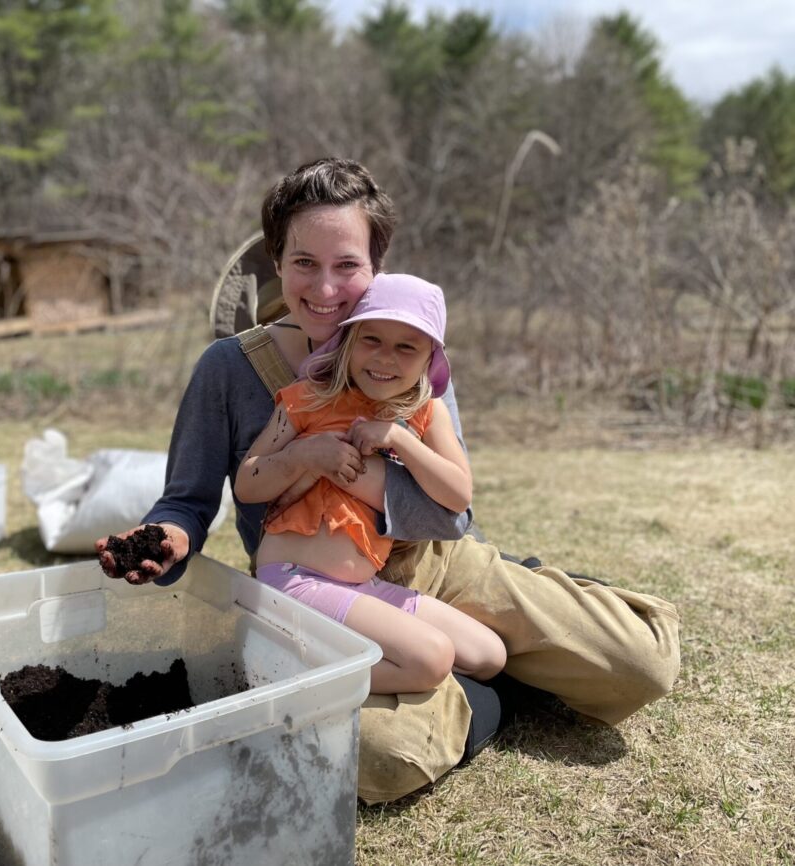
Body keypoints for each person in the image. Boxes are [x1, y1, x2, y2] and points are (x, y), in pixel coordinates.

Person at [96, 157, 680, 805]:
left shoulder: (410, 353)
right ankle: (485, 681)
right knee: (370, 757)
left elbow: (452, 513)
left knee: (640, 665)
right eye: (303, 263)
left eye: (346, 265)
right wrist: (167, 539)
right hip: (322, 589)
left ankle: (490, 650)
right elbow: (188, 500)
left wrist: (371, 470)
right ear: (278, 262)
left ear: (376, 267)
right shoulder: (230, 369)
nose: (324, 288)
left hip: (441, 566)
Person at [233, 273, 506, 692]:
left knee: (488, 656)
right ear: (348, 341)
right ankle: (281, 668)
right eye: (371, 340)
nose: (384, 359)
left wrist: (397, 436)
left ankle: (322, 652)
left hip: (362, 586)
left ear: (428, 357)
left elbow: (459, 496)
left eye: (405, 347)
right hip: (294, 579)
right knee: (431, 659)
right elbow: (247, 483)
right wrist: (303, 455)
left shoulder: (429, 415)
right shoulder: (308, 397)